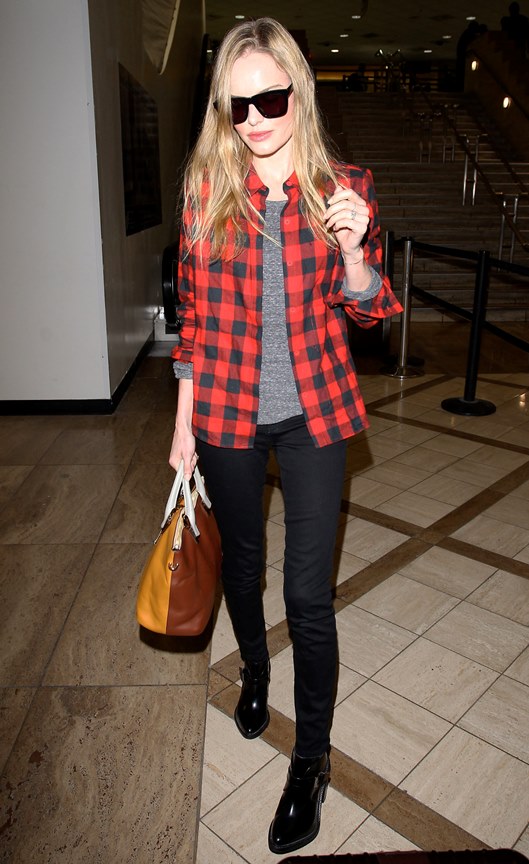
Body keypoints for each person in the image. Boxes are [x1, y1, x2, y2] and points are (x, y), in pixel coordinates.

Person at [169, 17, 402, 855]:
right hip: (226, 411)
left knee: (307, 596)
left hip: (316, 413)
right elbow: (193, 319)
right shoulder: (207, 190)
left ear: (298, 91)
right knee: (240, 564)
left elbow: (371, 313)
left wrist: (353, 252)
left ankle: (311, 761)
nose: (256, 120)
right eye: (238, 106)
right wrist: (182, 426)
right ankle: (255, 671)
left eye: (270, 99)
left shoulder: (345, 187)